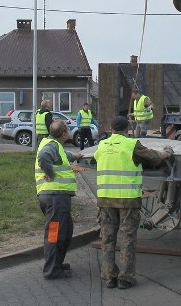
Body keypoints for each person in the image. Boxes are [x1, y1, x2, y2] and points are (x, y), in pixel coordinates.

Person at [94, 116, 173, 289]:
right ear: (127, 129)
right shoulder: (132, 145)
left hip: (105, 199)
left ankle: (108, 277)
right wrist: (167, 152)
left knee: (107, 239)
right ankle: (125, 278)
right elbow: (155, 158)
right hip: (127, 200)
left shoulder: (102, 145)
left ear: (111, 128)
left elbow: (97, 159)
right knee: (127, 238)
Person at [34, 119, 80, 280]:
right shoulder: (51, 146)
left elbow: (63, 157)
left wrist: (77, 156)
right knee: (54, 234)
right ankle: (51, 270)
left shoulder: (53, 143)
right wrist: (50, 173)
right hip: (55, 197)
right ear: (64, 134)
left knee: (66, 231)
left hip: (56, 197)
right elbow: (44, 156)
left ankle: (57, 263)